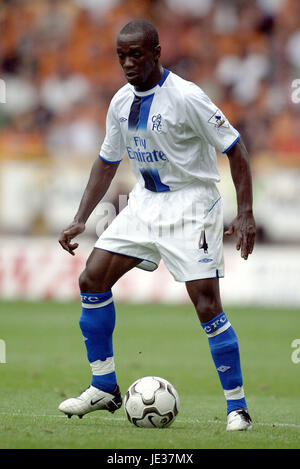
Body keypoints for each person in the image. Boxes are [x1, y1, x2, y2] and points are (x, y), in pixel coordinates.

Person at [58, 20, 256, 431]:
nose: (128, 63)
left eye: (136, 55)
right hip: (144, 205)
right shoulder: (120, 102)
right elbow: (107, 161)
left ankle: (238, 409)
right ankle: (104, 387)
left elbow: (236, 150)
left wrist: (246, 212)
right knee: (92, 279)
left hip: (192, 205)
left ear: (156, 52)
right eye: (121, 56)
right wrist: (80, 218)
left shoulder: (186, 97)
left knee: (207, 306)